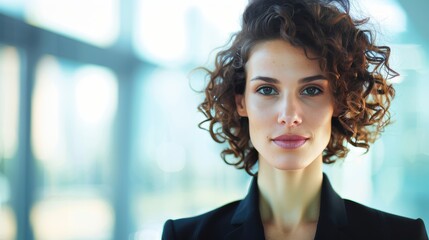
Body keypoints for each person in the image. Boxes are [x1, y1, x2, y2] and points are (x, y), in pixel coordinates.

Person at [162, 0, 429, 239]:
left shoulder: (401, 235)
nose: (289, 116)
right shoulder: (185, 236)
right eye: (267, 90)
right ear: (241, 102)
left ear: (338, 101)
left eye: (311, 90)